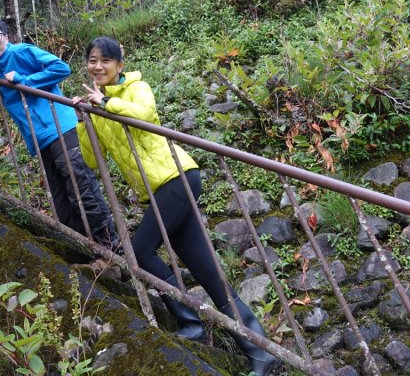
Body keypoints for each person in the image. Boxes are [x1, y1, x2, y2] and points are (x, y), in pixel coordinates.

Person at [72, 36, 280, 376]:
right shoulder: (98, 106)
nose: (98, 67)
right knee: (205, 269)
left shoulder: (136, 88)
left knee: (140, 251)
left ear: (119, 65)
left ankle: (191, 322)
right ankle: (258, 351)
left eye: (105, 61)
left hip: (176, 178)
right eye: (92, 60)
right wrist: (84, 119)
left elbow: (146, 113)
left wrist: (106, 103)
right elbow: (93, 161)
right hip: (156, 192)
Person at [0, 17, 118, 249]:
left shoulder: (22, 52)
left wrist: (25, 80)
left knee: (82, 189)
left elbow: (61, 68)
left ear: (5, 36)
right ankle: (85, 249)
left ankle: (112, 247)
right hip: (39, 140)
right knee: (62, 198)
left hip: (62, 128)